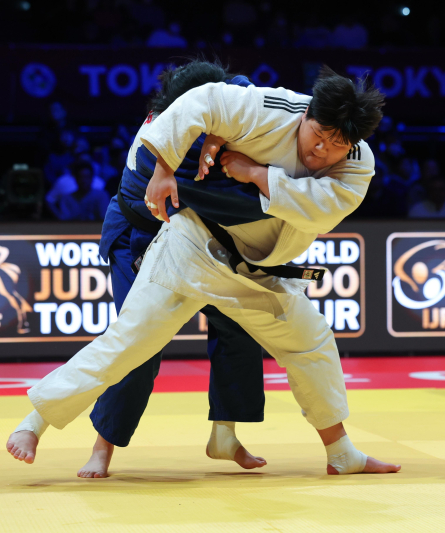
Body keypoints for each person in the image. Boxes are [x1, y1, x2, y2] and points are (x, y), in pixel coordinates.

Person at [7, 65, 400, 475]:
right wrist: (164, 170)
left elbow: (321, 210)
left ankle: (341, 453)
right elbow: (202, 100)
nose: (321, 150)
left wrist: (256, 173)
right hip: (193, 246)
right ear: (306, 114)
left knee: (312, 341)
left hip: (256, 269)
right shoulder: (271, 109)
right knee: (130, 342)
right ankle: (35, 422)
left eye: (336, 145)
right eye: (318, 135)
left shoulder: (358, 163)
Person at [74, 61, 268, 479]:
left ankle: (225, 436)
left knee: (240, 324)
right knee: (139, 341)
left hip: (194, 238)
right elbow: (222, 195)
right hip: (138, 239)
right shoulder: (163, 142)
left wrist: (219, 135)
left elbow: (242, 90)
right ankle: (101, 448)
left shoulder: (216, 102)